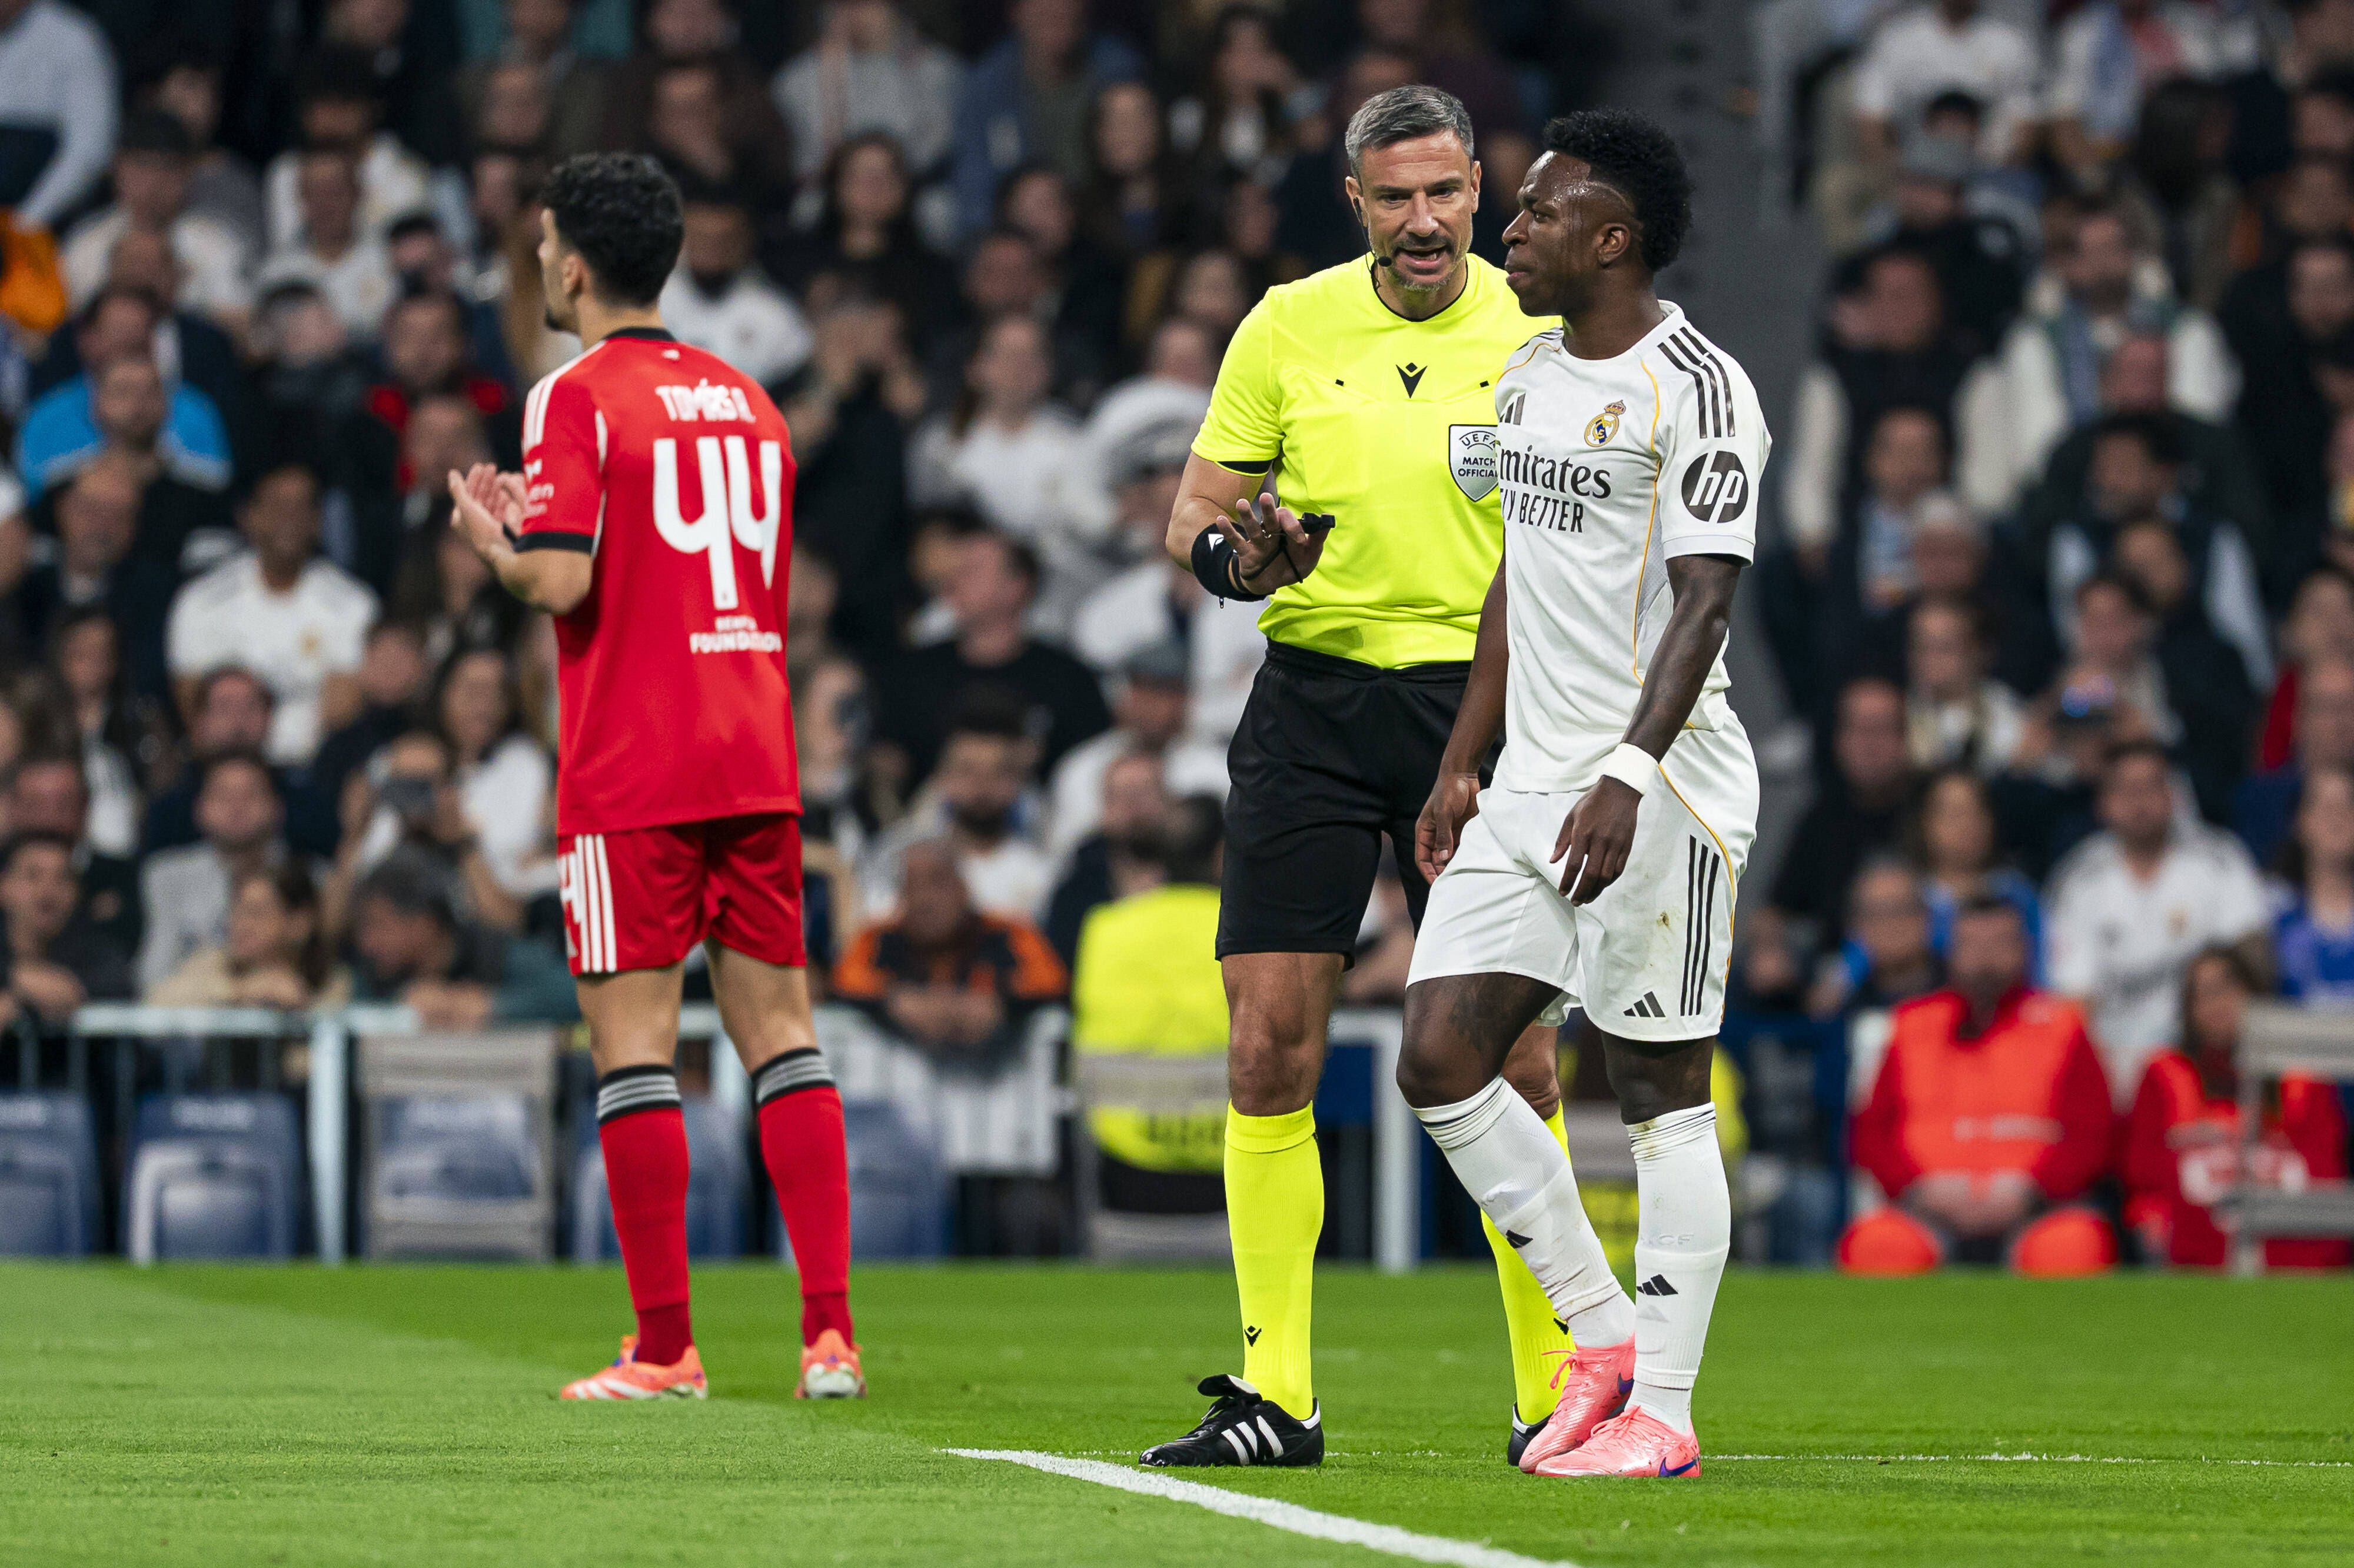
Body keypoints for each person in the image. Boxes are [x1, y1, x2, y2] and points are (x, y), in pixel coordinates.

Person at [1138, 87, 1574, 1470]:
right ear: (1355, 201)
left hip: (1487, 708)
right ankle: (1277, 1393)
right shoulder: (1286, 323)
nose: (1424, 221)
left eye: (1444, 192)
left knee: (1514, 1051)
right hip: (1314, 702)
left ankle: (1556, 1388)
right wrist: (1240, 565)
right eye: (1395, 197)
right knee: (1268, 1041)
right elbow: (1195, 517)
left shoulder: (1541, 331)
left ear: (1481, 189)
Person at [441, 152, 859, 1403]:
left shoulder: (569, 394)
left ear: (572, 262)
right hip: (754, 747)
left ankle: (666, 1348)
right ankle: (828, 1336)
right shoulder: (751, 400)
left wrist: (495, 539)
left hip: (635, 762)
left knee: (633, 1054)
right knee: (783, 1039)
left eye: (539, 250)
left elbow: (561, 581)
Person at [1393, 108, 1763, 1482]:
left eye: (1539, 213)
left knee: (1659, 1087)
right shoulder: (1528, 374)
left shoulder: (1700, 389)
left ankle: (1662, 1408)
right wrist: (1459, 755)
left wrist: (1626, 772)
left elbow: (1704, 600)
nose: (1509, 230)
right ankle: (1598, 1333)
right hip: (1531, 780)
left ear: (1611, 237)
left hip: (1658, 786)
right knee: (1436, 1054)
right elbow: (1515, 576)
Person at [1839, 897, 2119, 1277]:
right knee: (1874, 1247)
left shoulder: (2064, 1026)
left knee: (2076, 1248)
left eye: (1999, 943)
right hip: (1926, 1210)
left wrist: (2031, 1193)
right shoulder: (1911, 1024)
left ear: (2024, 949)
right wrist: (1920, 1191)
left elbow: (2093, 1134)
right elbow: (1872, 1132)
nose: (1985, 958)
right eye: (1972, 944)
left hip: (2036, 1211)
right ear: (1952, 951)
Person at [2047, 739, 2270, 1092]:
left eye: (2152, 786)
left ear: (2174, 794)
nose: (2139, 802)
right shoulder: (2080, 879)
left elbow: (2254, 969)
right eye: (2125, 789)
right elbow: (2075, 1001)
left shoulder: (2219, 860)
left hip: (2207, 1067)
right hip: (2114, 1067)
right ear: (2103, 803)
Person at [2123, 946, 2350, 1269]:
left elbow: (2325, 1177)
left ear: (2255, 993)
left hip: (2291, 1256)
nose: (2219, 1004)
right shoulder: (2165, 1074)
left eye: (2229, 987)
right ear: (2188, 1010)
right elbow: (2144, 1178)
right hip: (2192, 1256)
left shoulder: (2303, 1077)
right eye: (2203, 994)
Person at [1068, 795, 1229, 1216]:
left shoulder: (1106, 928)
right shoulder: (1250, 934)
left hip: (1125, 1168)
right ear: (1222, 853)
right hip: (1233, 1170)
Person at [164, 461, 380, 765]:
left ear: (317, 521)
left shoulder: (354, 604)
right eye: (278, 506)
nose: (289, 519)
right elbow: (193, 707)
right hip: (222, 768)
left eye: (301, 507)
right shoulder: (201, 600)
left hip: (313, 772)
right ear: (249, 517)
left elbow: (342, 710)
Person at [830, 835, 1067, 1061]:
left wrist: (1002, 1004)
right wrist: (895, 1001)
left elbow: (1051, 982)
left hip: (996, 1090)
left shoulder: (1006, 932)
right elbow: (843, 983)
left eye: (938, 882)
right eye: (912, 886)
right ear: (900, 896)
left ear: (964, 888)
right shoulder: (879, 938)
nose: (926, 900)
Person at [134, 752, 289, 996]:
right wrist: (234, 992)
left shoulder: (309, 877)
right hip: (189, 1021)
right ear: (200, 808)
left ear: (277, 808)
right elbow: (152, 976)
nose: (237, 807)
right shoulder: (165, 876)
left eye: (251, 795)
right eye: (224, 796)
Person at [148, 863, 348, 1008]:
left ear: (299, 923)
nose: (241, 925)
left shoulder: (332, 982)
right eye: (237, 912)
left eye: (256, 913)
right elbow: (153, 1006)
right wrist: (241, 991)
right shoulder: (212, 963)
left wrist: (298, 1010)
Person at [0, 828, 132, 1022]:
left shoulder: (100, 952)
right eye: (33, 876)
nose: (47, 891)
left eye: (63, 878)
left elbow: (66, 993)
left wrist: (15, 988)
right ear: (4, 887)